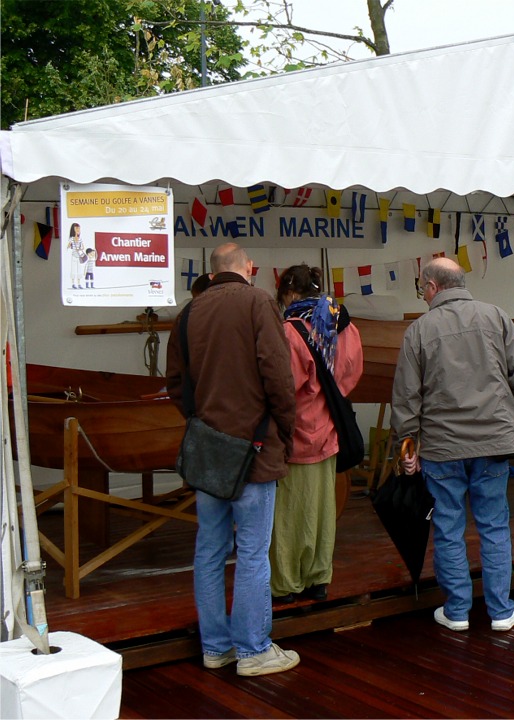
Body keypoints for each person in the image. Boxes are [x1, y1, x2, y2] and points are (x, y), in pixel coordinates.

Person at [165, 242, 300, 677]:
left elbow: (173, 383)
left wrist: (201, 421)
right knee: (253, 553)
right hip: (255, 451)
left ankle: (215, 647)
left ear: (211, 272)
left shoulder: (188, 312)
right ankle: (254, 650)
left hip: (207, 452)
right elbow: (278, 376)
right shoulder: (259, 301)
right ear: (249, 269)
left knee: (208, 550)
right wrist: (285, 427)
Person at [391, 257, 514, 632]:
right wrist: (509, 422)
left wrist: (407, 451)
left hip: (442, 446)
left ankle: (457, 612)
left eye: (422, 289)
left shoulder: (418, 330)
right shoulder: (498, 316)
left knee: (449, 528)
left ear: (432, 287)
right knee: (494, 525)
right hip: (493, 443)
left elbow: (406, 399)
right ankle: (501, 612)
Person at [270, 264, 363, 603]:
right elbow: (350, 377)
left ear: (289, 294)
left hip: (297, 435)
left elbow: (285, 389)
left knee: (289, 517)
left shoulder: (290, 331)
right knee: (323, 512)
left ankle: (286, 584)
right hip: (330, 431)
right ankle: (319, 578)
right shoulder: (344, 324)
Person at [66, 223, 85, 289]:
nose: (78, 230)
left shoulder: (80, 239)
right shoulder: (71, 239)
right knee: (73, 270)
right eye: (76, 228)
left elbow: (83, 247)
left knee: (79, 270)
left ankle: (79, 284)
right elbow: (68, 246)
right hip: (73, 256)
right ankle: (73, 283)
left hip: (79, 256)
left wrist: (79, 249)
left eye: (79, 228)